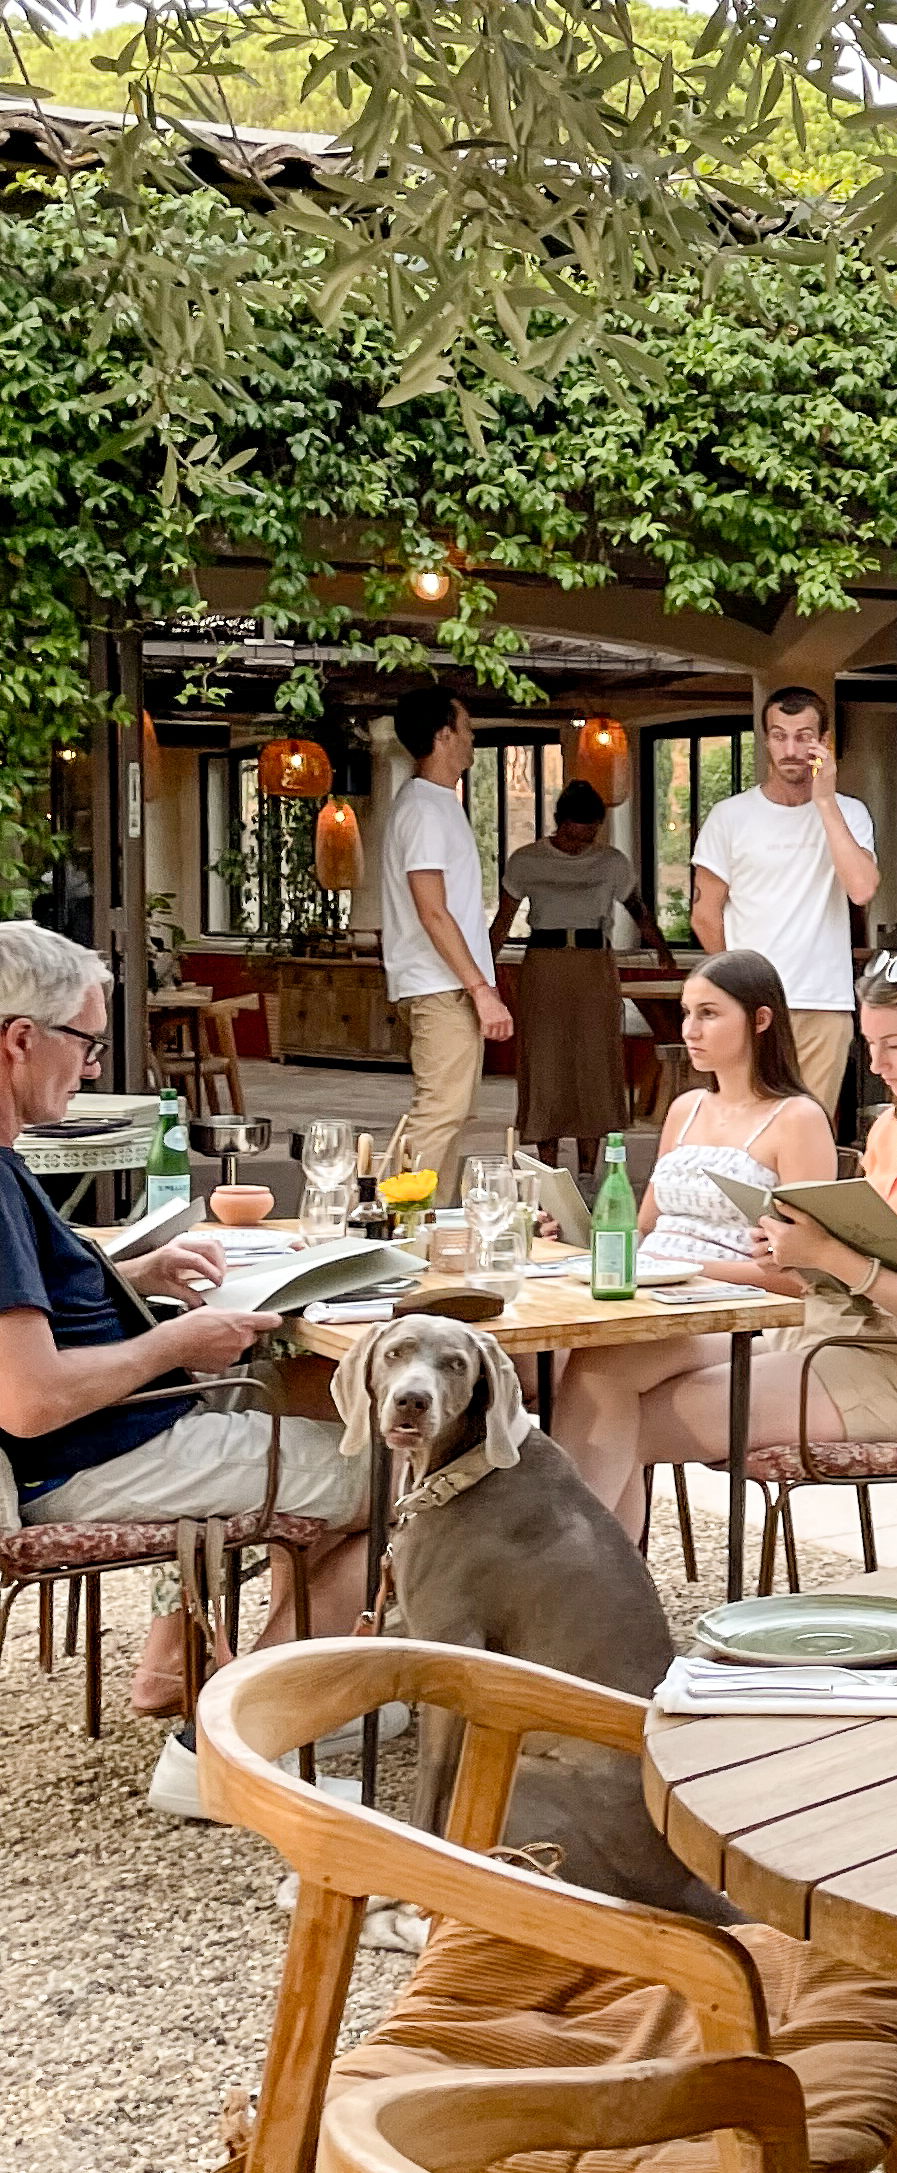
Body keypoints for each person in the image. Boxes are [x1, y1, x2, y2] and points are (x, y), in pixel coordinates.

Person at [0, 920, 368, 1808]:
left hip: (107, 1441)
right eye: (85, 1044)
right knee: (398, 1480)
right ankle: (228, 1748)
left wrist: (131, 1277)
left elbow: (26, 1316)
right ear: (19, 1040)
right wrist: (177, 1341)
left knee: (321, 1405)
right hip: (91, 1459)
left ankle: (259, 1684)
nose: (91, 1068)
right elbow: (29, 1399)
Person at [551, 944, 897, 1530]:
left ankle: (581, 1592)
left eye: (895, 1045)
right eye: (870, 1045)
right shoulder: (895, 1124)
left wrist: (831, 1256)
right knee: (604, 1368)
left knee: (621, 1424)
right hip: (817, 1333)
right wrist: (797, 1250)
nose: (878, 1064)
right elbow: (850, 1251)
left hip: (892, 1365)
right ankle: (593, 1597)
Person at [687, 683, 878, 1114]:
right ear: (766, 740)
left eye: (804, 736)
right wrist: (734, 987)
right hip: (751, 1003)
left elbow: (862, 889)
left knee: (810, 1132)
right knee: (745, 1126)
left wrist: (824, 801)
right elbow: (704, 915)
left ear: (824, 742)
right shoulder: (730, 817)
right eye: (779, 735)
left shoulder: (849, 813)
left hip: (824, 1002)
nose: (791, 748)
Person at [630, 950, 836, 1275]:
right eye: (686, 1013)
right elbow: (643, 1230)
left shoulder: (796, 1119)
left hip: (730, 1306)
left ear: (761, 1020)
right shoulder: (685, 1108)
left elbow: (810, 1274)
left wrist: (679, 1269)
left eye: (708, 1014)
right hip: (648, 1288)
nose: (689, 1030)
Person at [378, 683, 508, 1192]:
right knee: (440, 1112)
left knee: (452, 1113)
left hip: (443, 980)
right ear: (444, 735)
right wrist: (481, 988)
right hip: (439, 983)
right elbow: (432, 911)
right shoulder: (425, 808)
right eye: (467, 728)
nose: (473, 738)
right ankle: (388, 1222)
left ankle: (425, 1227)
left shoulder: (434, 804)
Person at [495, 781, 668, 1159]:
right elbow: (503, 919)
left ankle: (590, 1169)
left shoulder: (611, 862)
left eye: (591, 831)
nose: (583, 840)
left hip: (594, 963)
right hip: (544, 962)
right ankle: (549, 1163)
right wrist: (482, 975)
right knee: (545, 1060)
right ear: (559, 822)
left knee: (595, 1059)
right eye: (576, 830)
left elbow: (637, 911)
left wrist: (663, 951)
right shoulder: (527, 860)